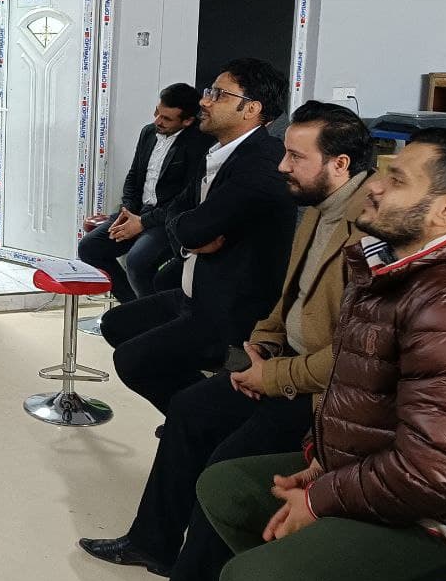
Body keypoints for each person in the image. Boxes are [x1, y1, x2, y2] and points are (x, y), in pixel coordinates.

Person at [82, 101, 372, 581]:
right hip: (281, 363)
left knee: (224, 474)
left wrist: (273, 376)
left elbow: (352, 358)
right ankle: (153, 542)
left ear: (339, 164)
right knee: (191, 409)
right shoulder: (318, 207)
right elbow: (289, 298)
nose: (283, 166)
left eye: (296, 157)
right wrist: (263, 343)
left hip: (323, 396)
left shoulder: (367, 230)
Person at [197, 128, 446, 581]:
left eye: (396, 179)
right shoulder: (393, 268)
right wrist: (322, 462)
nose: (373, 186)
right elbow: (364, 402)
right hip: (407, 490)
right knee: (228, 488)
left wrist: (324, 497)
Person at [100, 58, 298, 414]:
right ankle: (197, 415)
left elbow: (191, 225)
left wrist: (187, 231)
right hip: (195, 291)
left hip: (229, 310)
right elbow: (180, 214)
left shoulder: (262, 162)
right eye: (209, 91)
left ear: (251, 109)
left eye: (219, 94)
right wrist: (187, 238)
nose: (205, 101)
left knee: (132, 361)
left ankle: (198, 419)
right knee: (116, 324)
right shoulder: (218, 151)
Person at [77, 83, 213, 305]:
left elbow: (186, 199)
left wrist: (142, 222)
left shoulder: (200, 143)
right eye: (157, 112)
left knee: (137, 261)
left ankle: (152, 314)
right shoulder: (148, 132)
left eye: (166, 118)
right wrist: (127, 211)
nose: (158, 121)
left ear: (188, 120)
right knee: (89, 248)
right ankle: (133, 306)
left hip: (167, 219)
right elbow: (134, 176)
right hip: (137, 211)